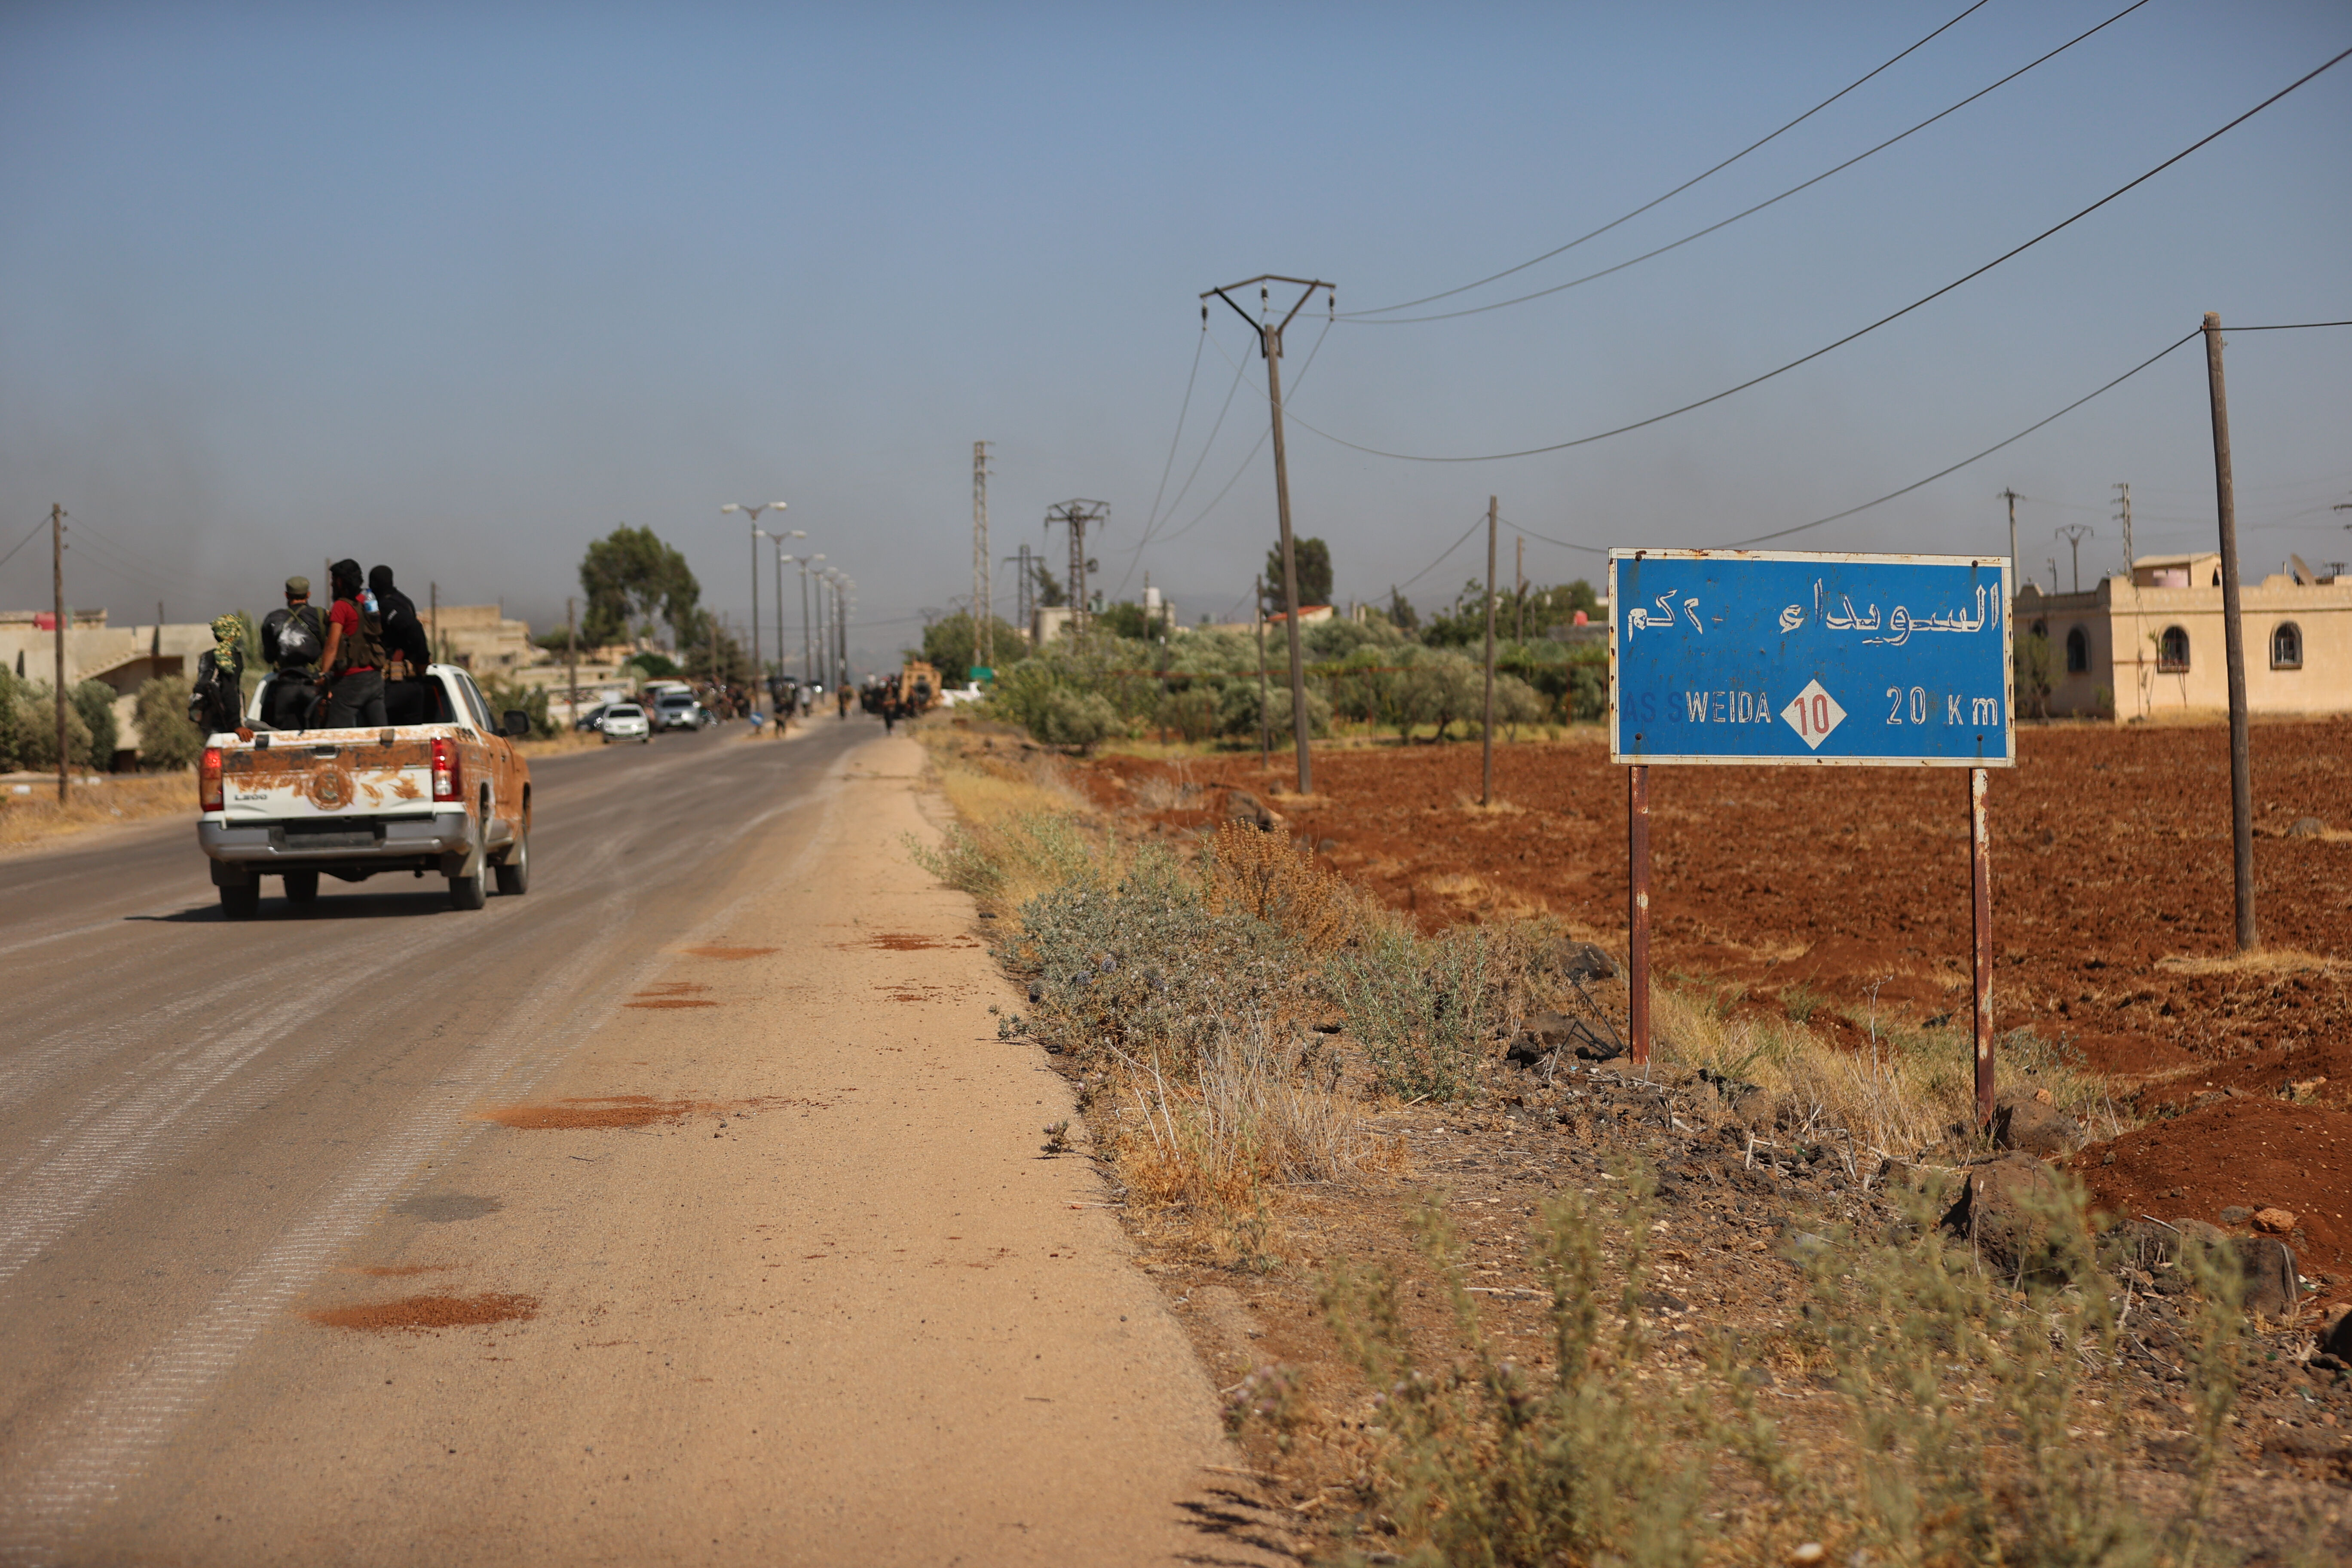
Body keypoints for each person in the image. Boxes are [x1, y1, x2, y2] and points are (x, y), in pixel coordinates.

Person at [317, 558, 389, 728]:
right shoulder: (367, 601)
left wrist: (323, 674)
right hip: (374, 678)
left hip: (350, 681)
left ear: (340, 581)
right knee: (379, 731)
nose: (332, 584)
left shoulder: (341, 607)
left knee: (336, 733)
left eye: (334, 580)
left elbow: (332, 645)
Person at [367, 565, 434, 723]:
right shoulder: (403, 600)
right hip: (413, 685)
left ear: (374, 585)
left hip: (396, 682)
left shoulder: (388, 605)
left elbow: (414, 628)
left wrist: (422, 660)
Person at [258, 576, 325, 729]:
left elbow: (269, 657)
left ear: (287, 595)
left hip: (285, 685)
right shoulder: (320, 616)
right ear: (308, 595)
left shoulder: (273, 618)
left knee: (283, 737)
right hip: (315, 684)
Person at [188, 614, 248, 736]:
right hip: (226, 723)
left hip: (208, 723)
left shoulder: (207, 656)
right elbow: (229, 690)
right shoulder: (230, 657)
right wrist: (237, 725)